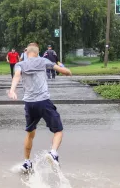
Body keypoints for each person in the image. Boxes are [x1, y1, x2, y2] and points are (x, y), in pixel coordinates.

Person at [8, 43, 72, 173]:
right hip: (43, 102)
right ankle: (53, 152)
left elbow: (17, 76)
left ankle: (27, 162)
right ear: (37, 53)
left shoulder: (20, 64)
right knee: (58, 131)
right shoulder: (43, 61)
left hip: (29, 104)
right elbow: (64, 72)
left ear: (26, 53)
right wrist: (67, 70)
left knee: (30, 134)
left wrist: (12, 90)